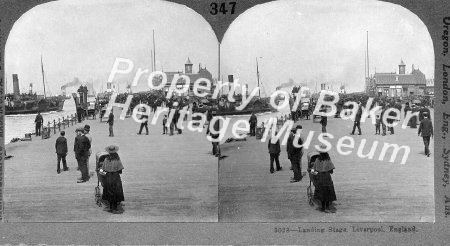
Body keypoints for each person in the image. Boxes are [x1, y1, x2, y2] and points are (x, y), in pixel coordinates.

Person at [311, 144, 337, 213]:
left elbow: (314, 170)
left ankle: (323, 207)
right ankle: (327, 207)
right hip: (327, 178)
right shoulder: (328, 159)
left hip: (320, 177)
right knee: (328, 192)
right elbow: (331, 171)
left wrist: (315, 174)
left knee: (322, 192)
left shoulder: (317, 160)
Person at [99, 145, 125, 213]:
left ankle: (111, 207)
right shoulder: (117, 159)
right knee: (116, 192)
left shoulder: (106, 159)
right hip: (115, 177)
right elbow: (120, 171)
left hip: (108, 177)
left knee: (109, 192)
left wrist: (104, 175)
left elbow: (103, 170)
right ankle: (115, 207)